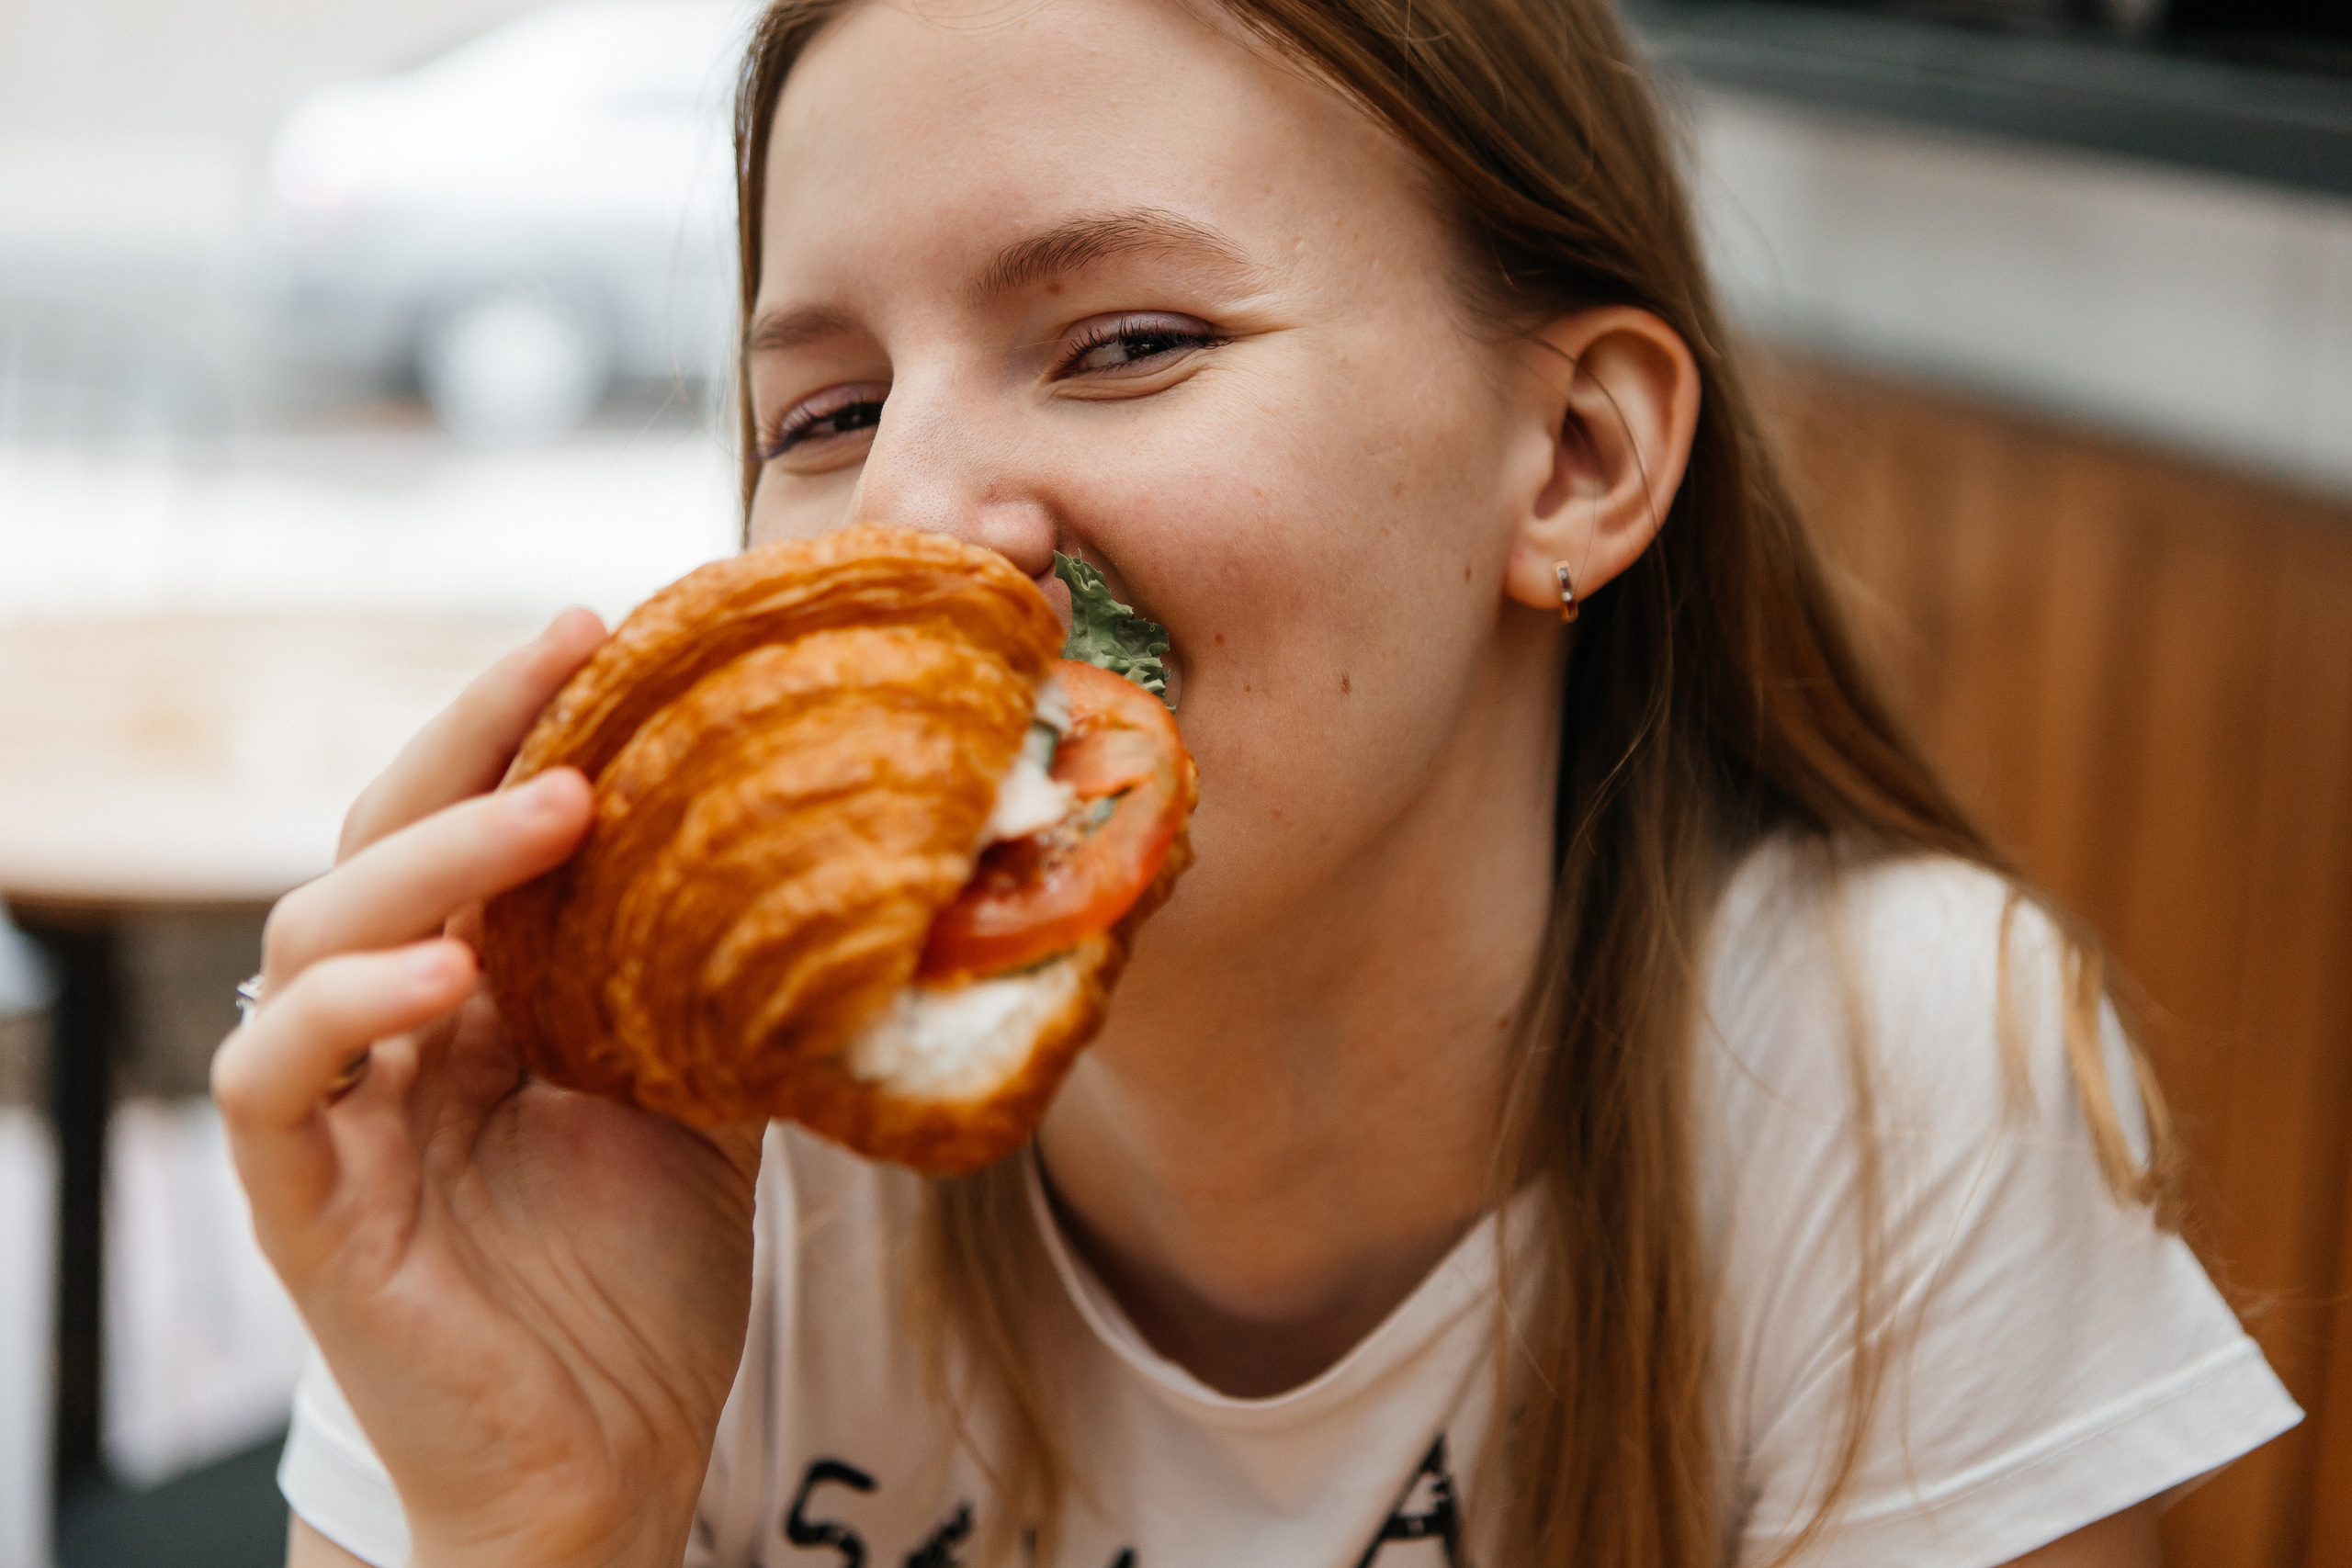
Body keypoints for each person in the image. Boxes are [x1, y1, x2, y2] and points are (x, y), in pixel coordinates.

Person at [212, 1, 2301, 1564]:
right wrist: (547, 1519)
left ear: (1569, 458)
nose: (919, 512)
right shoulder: (653, 1128)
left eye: (1124, 342)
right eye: (825, 408)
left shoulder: (1889, 1066)